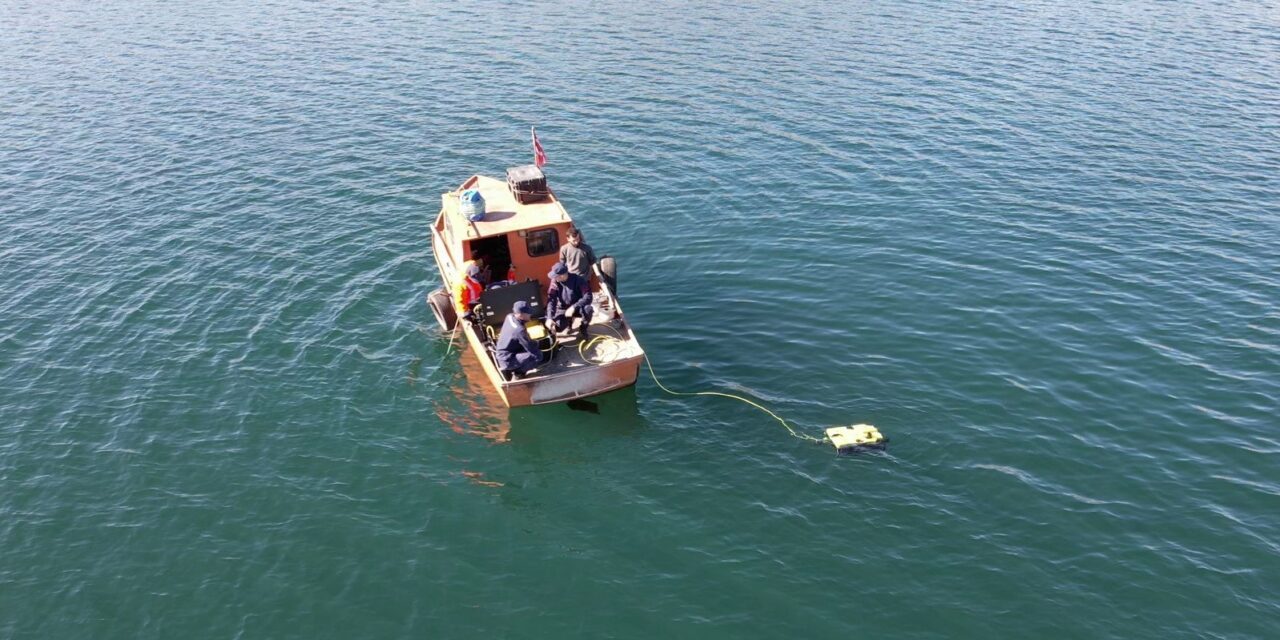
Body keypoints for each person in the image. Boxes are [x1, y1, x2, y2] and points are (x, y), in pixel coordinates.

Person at [496, 301, 544, 377]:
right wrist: (538, 343)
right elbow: (530, 347)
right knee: (537, 355)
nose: (530, 315)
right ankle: (517, 373)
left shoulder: (509, 316)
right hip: (507, 360)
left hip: (504, 353)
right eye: (528, 313)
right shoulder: (519, 330)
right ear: (521, 315)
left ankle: (515, 368)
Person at [545, 262, 593, 337]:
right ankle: (568, 324)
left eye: (556, 276)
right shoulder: (554, 282)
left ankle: (583, 328)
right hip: (563, 308)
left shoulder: (579, 280)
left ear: (563, 275)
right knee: (557, 327)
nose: (554, 278)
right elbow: (551, 300)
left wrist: (574, 307)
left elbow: (588, 296)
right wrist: (549, 317)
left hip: (577, 307)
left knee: (588, 310)